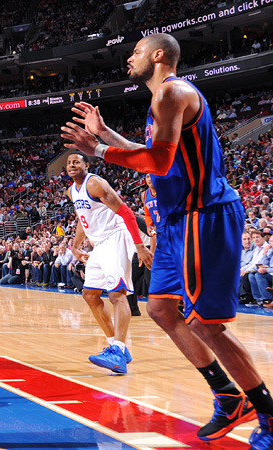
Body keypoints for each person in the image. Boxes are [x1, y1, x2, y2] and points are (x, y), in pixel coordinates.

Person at [61, 32, 272, 446]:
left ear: (158, 55)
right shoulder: (161, 99)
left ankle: (265, 411)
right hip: (176, 221)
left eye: (136, 52)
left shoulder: (172, 93)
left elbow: (158, 161)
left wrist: (98, 151)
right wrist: (106, 135)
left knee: (206, 324)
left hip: (204, 215)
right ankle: (227, 396)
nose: (129, 58)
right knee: (160, 308)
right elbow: (149, 154)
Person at [66, 153, 152, 374]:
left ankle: (118, 351)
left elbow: (126, 213)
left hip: (115, 237)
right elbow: (82, 219)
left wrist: (140, 246)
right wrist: (75, 246)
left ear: (86, 165)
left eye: (76, 161)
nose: (72, 165)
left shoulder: (95, 183)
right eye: (69, 162)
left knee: (116, 294)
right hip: (99, 244)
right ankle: (117, 346)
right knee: (90, 295)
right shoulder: (72, 191)